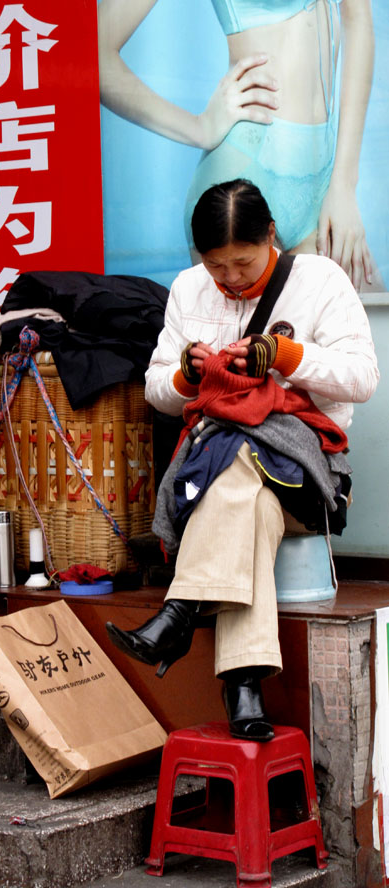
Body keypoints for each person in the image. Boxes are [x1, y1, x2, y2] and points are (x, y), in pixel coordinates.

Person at [106, 179, 378, 740]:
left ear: (271, 236)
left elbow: (362, 378)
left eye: (242, 262)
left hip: (305, 463)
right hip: (222, 470)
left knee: (235, 459)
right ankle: (244, 683)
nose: (229, 278)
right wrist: (188, 371)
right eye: (216, 266)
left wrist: (286, 355)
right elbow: (159, 388)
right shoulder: (187, 289)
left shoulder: (320, 281)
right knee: (243, 494)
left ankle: (180, 611)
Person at [97, 0, 380, 292]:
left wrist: (344, 184)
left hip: (323, 182)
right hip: (247, 168)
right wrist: (198, 128)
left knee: (369, 328)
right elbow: (95, 54)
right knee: (244, 339)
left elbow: (358, 17)